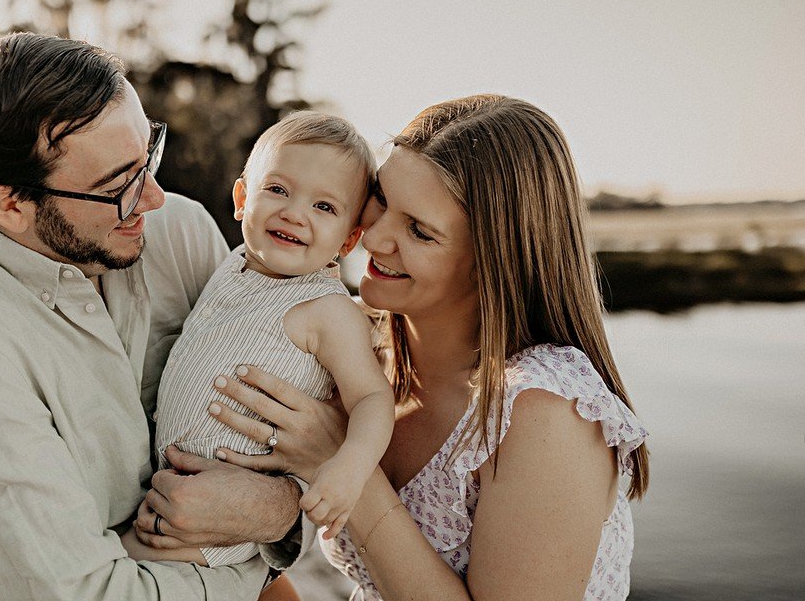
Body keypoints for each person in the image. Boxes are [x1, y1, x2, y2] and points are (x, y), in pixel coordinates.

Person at [0, 32, 311, 601]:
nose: (154, 199)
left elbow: (304, 440)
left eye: (148, 159)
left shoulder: (182, 233)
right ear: (11, 204)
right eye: (118, 187)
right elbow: (86, 593)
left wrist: (281, 509)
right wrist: (264, 532)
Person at [184, 95, 651, 600]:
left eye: (419, 231)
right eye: (381, 199)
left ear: (491, 261)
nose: (373, 237)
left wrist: (342, 463)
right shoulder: (360, 356)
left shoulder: (543, 412)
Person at [122, 112, 394, 568]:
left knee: (113, 565)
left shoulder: (329, 312)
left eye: (323, 207)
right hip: (170, 485)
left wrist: (350, 468)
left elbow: (372, 397)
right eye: (278, 190)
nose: (294, 213)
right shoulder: (233, 264)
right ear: (243, 198)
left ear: (348, 241)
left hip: (230, 514)